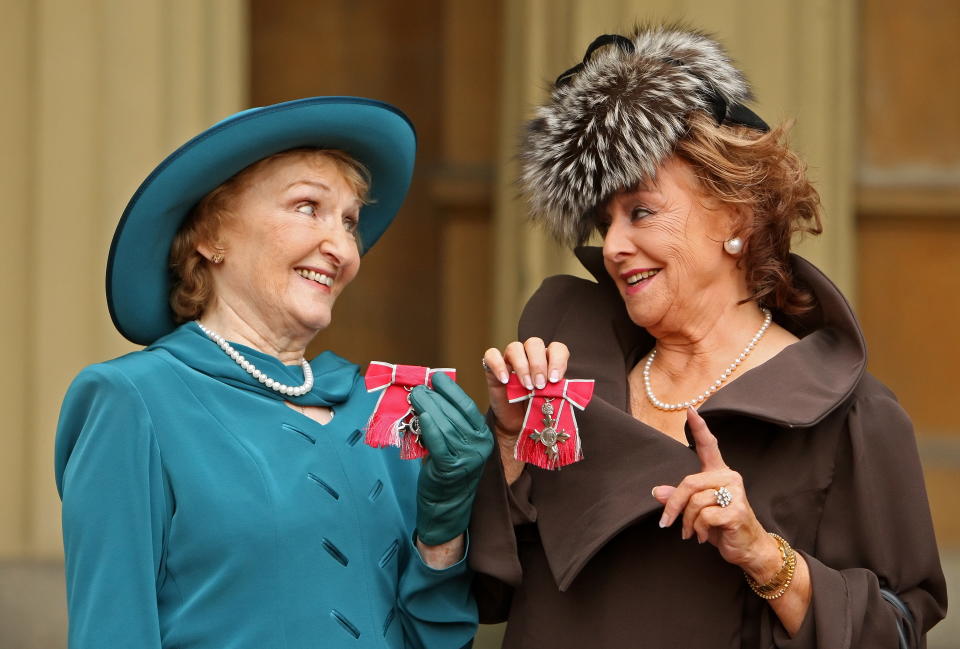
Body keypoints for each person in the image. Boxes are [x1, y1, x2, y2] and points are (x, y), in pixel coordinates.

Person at [471, 26, 947, 648]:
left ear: (736, 218)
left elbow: (899, 628)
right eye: (603, 220)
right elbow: (480, 596)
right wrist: (508, 445)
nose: (613, 246)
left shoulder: (852, 416)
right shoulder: (564, 382)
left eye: (641, 211)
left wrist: (767, 559)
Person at [55, 96, 492, 649]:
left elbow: (438, 640)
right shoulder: (133, 401)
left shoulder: (384, 412)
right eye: (308, 207)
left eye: (350, 222)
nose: (341, 248)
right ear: (211, 235)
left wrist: (442, 538)